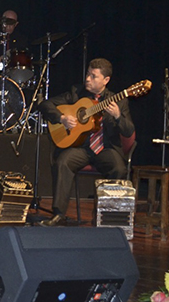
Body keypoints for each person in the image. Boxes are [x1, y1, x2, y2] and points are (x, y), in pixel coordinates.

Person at [38, 58, 134, 226]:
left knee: (119, 169)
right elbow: (46, 104)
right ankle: (58, 214)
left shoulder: (119, 100)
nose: (88, 79)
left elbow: (128, 131)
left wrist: (118, 116)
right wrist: (62, 118)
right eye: (88, 74)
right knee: (63, 162)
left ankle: (104, 216)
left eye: (93, 76)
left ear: (106, 80)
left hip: (105, 148)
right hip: (81, 148)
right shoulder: (77, 93)